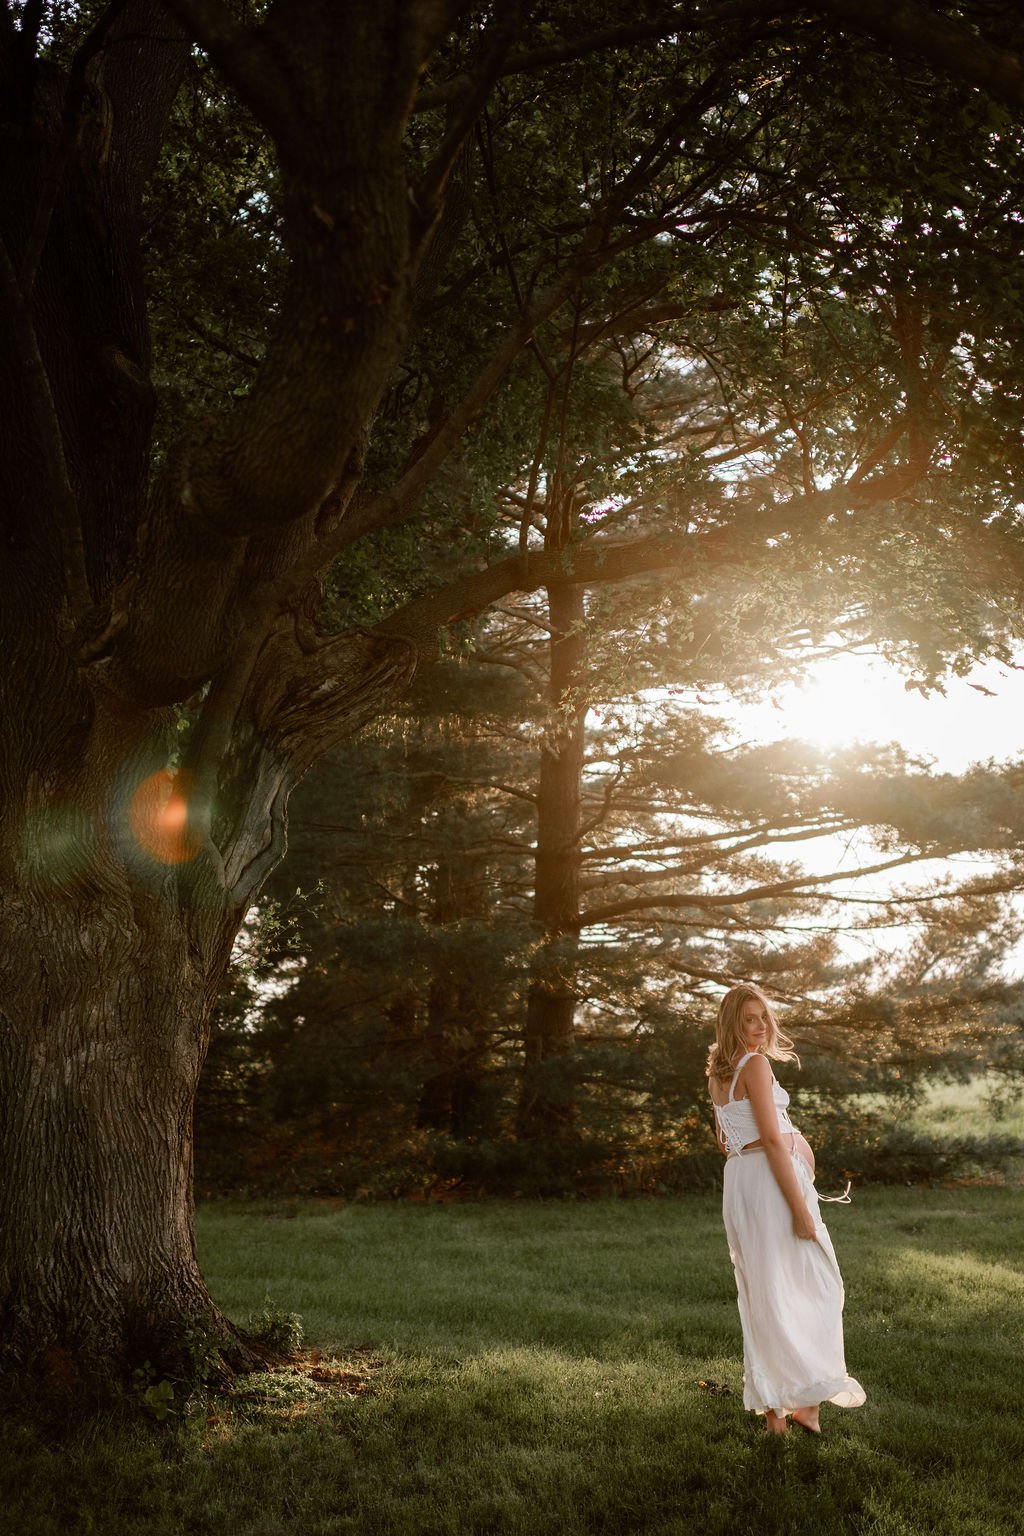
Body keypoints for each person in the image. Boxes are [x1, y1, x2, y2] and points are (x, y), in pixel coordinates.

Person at [706, 982, 865, 1435]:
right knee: (816, 1285)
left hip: (741, 1183)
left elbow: (724, 1142)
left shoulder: (717, 1072)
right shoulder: (753, 1064)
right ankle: (805, 1403)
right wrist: (798, 1209)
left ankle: (782, 1411)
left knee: (766, 1293)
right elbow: (773, 1139)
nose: (759, 1026)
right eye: (748, 1019)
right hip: (773, 1186)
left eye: (763, 1017)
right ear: (732, 1022)